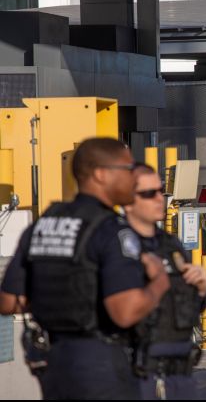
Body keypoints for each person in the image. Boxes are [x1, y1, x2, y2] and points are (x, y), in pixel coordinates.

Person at [0, 137, 170, 399]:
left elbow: (8, 301)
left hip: (54, 367)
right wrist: (159, 281)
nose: (133, 179)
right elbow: (125, 312)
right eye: (127, 169)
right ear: (101, 174)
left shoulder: (43, 225)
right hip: (103, 367)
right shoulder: (112, 231)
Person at [123, 163, 206, 400]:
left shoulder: (170, 245)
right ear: (127, 200)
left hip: (180, 372)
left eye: (161, 191)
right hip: (139, 371)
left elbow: (190, 303)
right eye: (149, 193)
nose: (159, 198)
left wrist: (202, 289)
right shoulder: (118, 245)